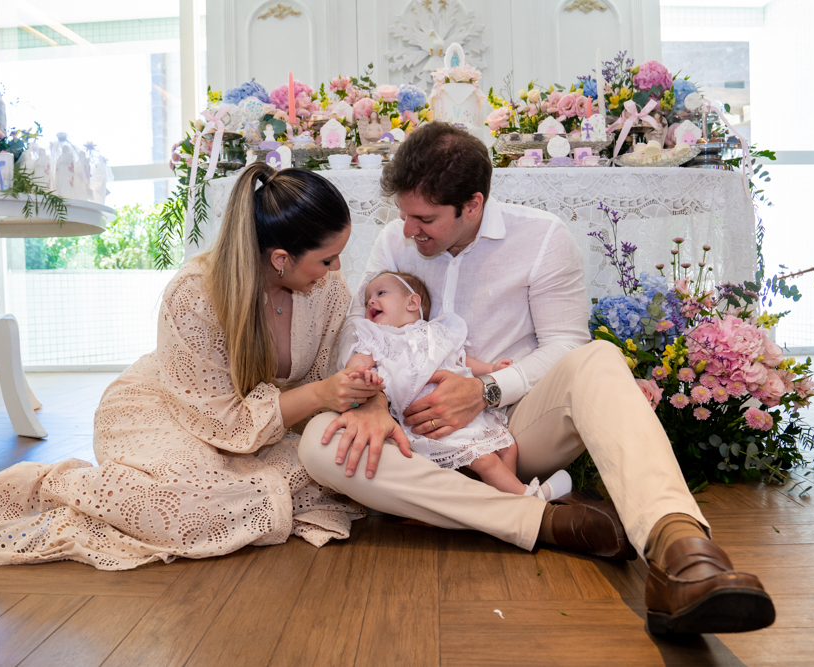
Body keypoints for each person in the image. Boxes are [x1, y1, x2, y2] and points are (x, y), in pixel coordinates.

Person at [298, 122, 775, 636]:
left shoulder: (542, 236)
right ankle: (544, 520)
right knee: (318, 444)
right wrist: (370, 402)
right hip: (409, 438)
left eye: (426, 219)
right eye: (405, 215)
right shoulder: (395, 241)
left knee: (598, 358)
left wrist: (485, 390)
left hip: (512, 433)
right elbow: (359, 331)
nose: (409, 230)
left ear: (473, 205)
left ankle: (680, 550)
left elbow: (565, 343)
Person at [0, 163, 409, 571]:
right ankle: (64, 488)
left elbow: (332, 377)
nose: (337, 269)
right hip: (170, 407)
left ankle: (232, 494)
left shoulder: (327, 292)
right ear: (281, 259)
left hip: (263, 426)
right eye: (327, 259)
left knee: (332, 469)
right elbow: (220, 415)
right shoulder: (194, 293)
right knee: (186, 504)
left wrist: (359, 394)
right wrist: (321, 395)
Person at [342, 271, 571, 499]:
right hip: (428, 420)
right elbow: (359, 361)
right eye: (367, 299)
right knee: (485, 460)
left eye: (380, 293)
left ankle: (504, 499)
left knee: (509, 448)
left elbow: (461, 360)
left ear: (412, 303)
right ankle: (527, 498)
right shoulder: (379, 337)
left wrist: (491, 369)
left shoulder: (438, 331)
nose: (370, 301)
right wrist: (361, 374)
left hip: (467, 410)